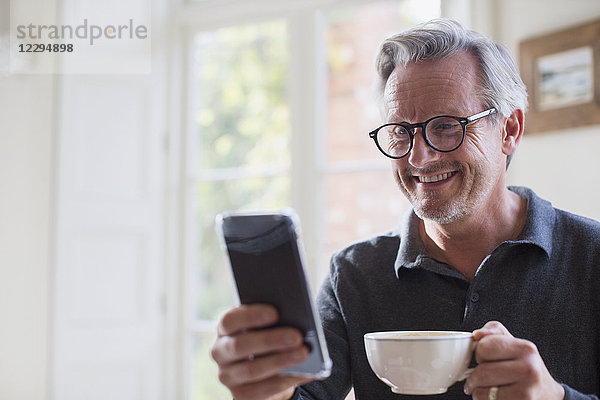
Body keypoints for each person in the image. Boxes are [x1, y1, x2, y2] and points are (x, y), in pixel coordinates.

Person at [210, 19, 600, 400]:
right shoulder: (354, 273)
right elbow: (303, 392)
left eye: (447, 126)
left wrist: (555, 397)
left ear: (510, 130)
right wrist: (265, 391)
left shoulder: (592, 256)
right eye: (400, 131)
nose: (419, 157)